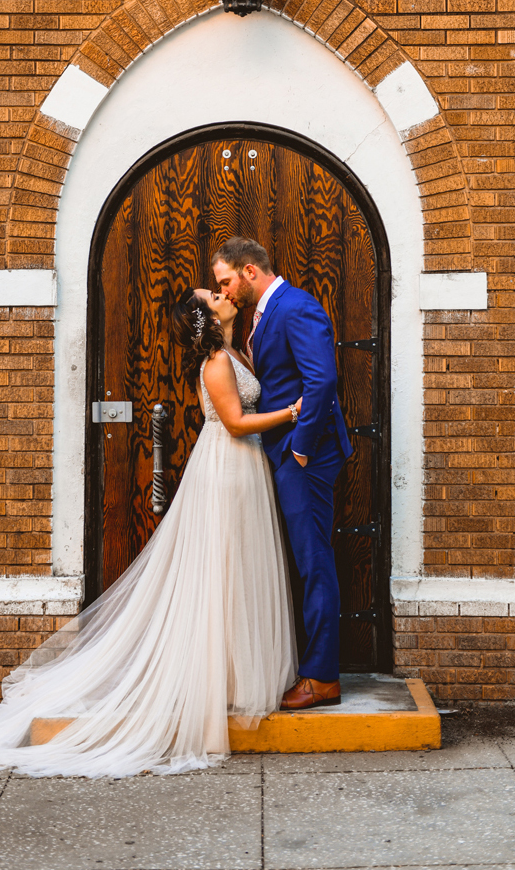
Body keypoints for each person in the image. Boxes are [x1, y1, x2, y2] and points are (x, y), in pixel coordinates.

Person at [0, 287, 299, 778]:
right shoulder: (216, 362)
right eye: (214, 294)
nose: (224, 293)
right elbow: (234, 422)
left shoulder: (236, 350)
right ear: (207, 318)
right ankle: (213, 685)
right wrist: (293, 413)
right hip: (228, 467)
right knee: (221, 569)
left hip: (246, 467)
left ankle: (234, 679)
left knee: (238, 571)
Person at [211, 236, 352, 710]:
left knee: (314, 562)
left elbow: (322, 380)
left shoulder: (295, 307)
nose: (226, 292)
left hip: (302, 458)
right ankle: (313, 667)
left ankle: (322, 678)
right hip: (283, 456)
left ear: (249, 271)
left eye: (226, 281)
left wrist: (303, 452)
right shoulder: (264, 313)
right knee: (306, 561)